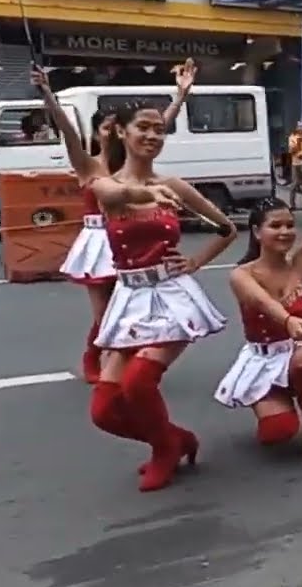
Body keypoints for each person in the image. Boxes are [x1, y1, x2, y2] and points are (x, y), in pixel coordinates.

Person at [88, 100, 238, 493]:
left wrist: (195, 262)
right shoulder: (109, 189)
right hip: (129, 298)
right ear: (121, 131)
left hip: (171, 297)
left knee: (139, 383)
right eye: (144, 127)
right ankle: (173, 439)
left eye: (160, 129)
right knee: (104, 411)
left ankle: (164, 452)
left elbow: (226, 229)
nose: (154, 136)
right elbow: (100, 177)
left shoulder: (174, 186)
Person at [36, 61, 196, 383]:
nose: (109, 131)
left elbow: (156, 127)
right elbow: (67, 131)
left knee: (128, 305)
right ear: (98, 131)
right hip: (97, 242)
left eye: (114, 126)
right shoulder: (89, 166)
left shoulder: (131, 166)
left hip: (128, 236)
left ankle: (126, 361)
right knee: (102, 313)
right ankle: (94, 357)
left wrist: (180, 95)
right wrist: (47, 96)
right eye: (104, 127)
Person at [214, 126, 302, 459]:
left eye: (290, 225)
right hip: (263, 359)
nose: (285, 232)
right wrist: (288, 319)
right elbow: (263, 302)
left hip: (299, 354)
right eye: (275, 226)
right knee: (276, 433)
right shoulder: (241, 274)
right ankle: (276, 405)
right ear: (257, 231)